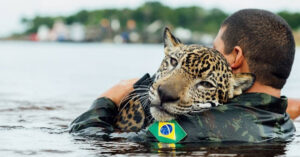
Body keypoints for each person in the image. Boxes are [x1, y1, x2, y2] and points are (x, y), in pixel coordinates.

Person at [69, 9, 297, 142]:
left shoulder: (193, 129)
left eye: (214, 49)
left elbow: (89, 139)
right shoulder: (283, 123)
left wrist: (109, 98)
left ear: (235, 58)